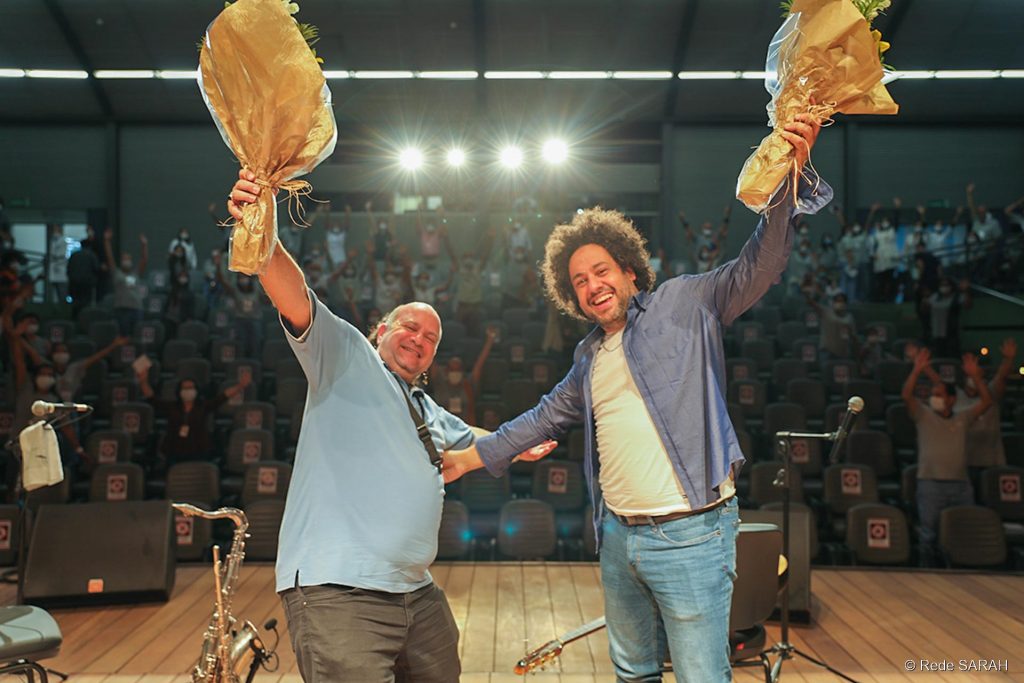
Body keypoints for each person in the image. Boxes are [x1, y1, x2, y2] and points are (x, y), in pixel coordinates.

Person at [443, 115, 825, 682]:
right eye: (579, 280)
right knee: (632, 672)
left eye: (601, 271)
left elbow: (760, 265)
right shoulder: (588, 356)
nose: (593, 285)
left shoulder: (686, 302)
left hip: (692, 533)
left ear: (628, 270)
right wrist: (470, 458)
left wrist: (788, 179)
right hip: (619, 536)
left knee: (701, 675)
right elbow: (546, 415)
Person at [225, 169, 555, 681]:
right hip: (338, 592)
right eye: (410, 327)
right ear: (381, 329)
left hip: (416, 592)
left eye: (431, 339)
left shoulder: (427, 409)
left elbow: (480, 441)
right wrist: (260, 233)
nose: (419, 339)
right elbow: (292, 293)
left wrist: (521, 444)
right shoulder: (345, 354)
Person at [901, 348, 992, 561]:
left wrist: (976, 377)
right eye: (933, 395)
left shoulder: (963, 417)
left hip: (960, 484)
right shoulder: (923, 415)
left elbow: (987, 402)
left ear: (952, 399)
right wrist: (916, 371)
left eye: (939, 395)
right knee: (928, 533)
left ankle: (964, 568)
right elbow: (906, 395)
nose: (934, 398)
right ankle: (928, 570)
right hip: (930, 483)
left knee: (963, 529)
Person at [137, 369, 251, 468]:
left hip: (199, 452)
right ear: (179, 391)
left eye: (191, 387)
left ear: (196, 390)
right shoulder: (171, 407)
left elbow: (223, 397)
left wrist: (240, 386)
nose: (188, 390)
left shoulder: (203, 406)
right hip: (175, 452)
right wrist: (143, 382)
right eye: (184, 388)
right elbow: (152, 398)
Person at [961, 338, 1016, 482]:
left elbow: (1002, 375)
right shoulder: (955, 396)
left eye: (976, 371)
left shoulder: (991, 391)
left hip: (991, 462)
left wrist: (1008, 359)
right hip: (965, 463)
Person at [103, 228, 148, 335]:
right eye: (124, 259)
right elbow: (109, 257)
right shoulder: (117, 273)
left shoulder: (136, 273)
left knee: (136, 336)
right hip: (121, 310)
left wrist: (144, 245)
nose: (126, 261)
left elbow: (144, 259)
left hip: (136, 309)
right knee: (123, 337)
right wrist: (106, 241)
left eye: (128, 259)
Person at [66, 228, 103, 318]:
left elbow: (68, 269)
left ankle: (74, 319)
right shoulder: (91, 255)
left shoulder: (74, 255)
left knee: (75, 303)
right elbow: (96, 268)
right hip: (87, 284)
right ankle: (84, 319)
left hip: (74, 283)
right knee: (86, 304)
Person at [48, 224, 69, 304]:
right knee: (54, 294)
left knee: (62, 294)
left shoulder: (63, 241)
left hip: (61, 271)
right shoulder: (52, 241)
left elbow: (59, 254)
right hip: (54, 271)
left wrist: (54, 257)